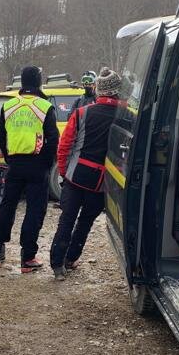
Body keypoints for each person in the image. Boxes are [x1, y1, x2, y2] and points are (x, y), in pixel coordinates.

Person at [50, 67, 123, 281]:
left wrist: (64, 172)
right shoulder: (125, 116)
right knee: (85, 221)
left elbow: (64, 146)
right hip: (103, 182)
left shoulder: (82, 113)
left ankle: (57, 264)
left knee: (67, 219)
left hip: (75, 177)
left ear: (99, 90)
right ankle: (71, 258)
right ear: (117, 91)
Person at [0, 65, 59, 273]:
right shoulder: (44, 106)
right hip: (37, 165)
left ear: (22, 82)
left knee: (7, 206)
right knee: (35, 210)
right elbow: (53, 139)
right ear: (39, 83)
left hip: (14, 164)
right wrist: (47, 163)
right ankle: (28, 257)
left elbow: (1, 137)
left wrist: (10, 158)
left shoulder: (9, 105)